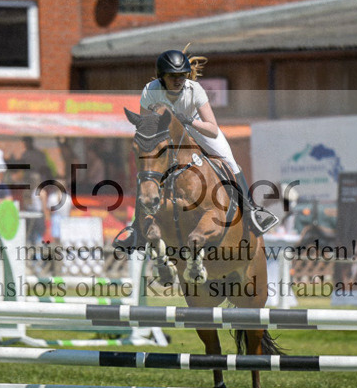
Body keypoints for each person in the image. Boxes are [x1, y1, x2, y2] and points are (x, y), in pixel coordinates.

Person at [114, 48, 278, 249]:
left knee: (230, 161)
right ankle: (137, 230)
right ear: (162, 77)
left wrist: (189, 121)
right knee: (149, 170)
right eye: (172, 76)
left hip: (198, 128)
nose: (178, 80)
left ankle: (252, 211)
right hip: (167, 135)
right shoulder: (150, 91)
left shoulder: (195, 90)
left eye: (181, 76)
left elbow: (212, 129)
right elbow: (146, 127)